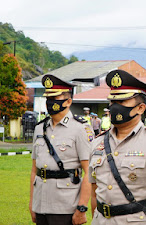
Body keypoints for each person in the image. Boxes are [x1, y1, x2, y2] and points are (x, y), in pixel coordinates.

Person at [89, 69, 146, 225]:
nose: (115, 107)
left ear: (140, 108)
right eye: (112, 102)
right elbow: (94, 192)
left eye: (122, 102)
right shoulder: (97, 142)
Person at [30, 74, 93, 225]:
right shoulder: (40, 128)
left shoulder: (80, 129)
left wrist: (82, 207)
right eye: (48, 98)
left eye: (55, 98)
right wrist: (32, 203)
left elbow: (89, 172)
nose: (50, 102)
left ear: (68, 101)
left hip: (65, 206)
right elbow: (34, 170)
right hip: (41, 204)